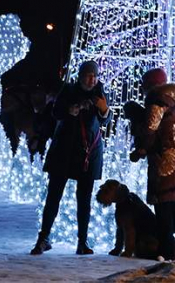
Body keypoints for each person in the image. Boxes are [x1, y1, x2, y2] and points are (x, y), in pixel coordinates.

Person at [30, 61, 112, 255]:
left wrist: (104, 109)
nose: (92, 80)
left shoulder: (99, 93)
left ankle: (82, 242)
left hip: (88, 153)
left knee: (84, 200)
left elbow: (105, 120)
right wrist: (69, 110)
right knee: (53, 197)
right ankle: (44, 238)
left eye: (94, 76)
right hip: (64, 152)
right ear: (81, 76)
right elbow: (56, 112)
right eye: (88, 76)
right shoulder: (68, 90)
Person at [128, 68, 175, 260]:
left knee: (163, 205)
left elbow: (150, 129)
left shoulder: (157, 100)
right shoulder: (170, 99)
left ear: (150, 85)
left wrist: (140, 142)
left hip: (166, 157)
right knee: (172, 206)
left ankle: (166, 252)